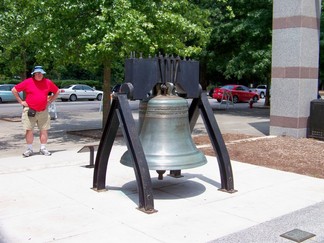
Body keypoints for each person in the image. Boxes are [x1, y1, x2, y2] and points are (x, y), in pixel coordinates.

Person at [11, 66, 60, 157]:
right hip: (30, 110)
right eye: (37, 73)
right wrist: (21, 101)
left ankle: (43, 148)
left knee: (44, 130)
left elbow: (57, 91)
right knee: (29, 130)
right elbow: (14, 90)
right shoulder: (28, 82)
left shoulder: (47, 82)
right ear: (33, 74)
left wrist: (50, 101)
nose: (39, 75)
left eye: (41, 73)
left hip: (43, 110)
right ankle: (29, 149)